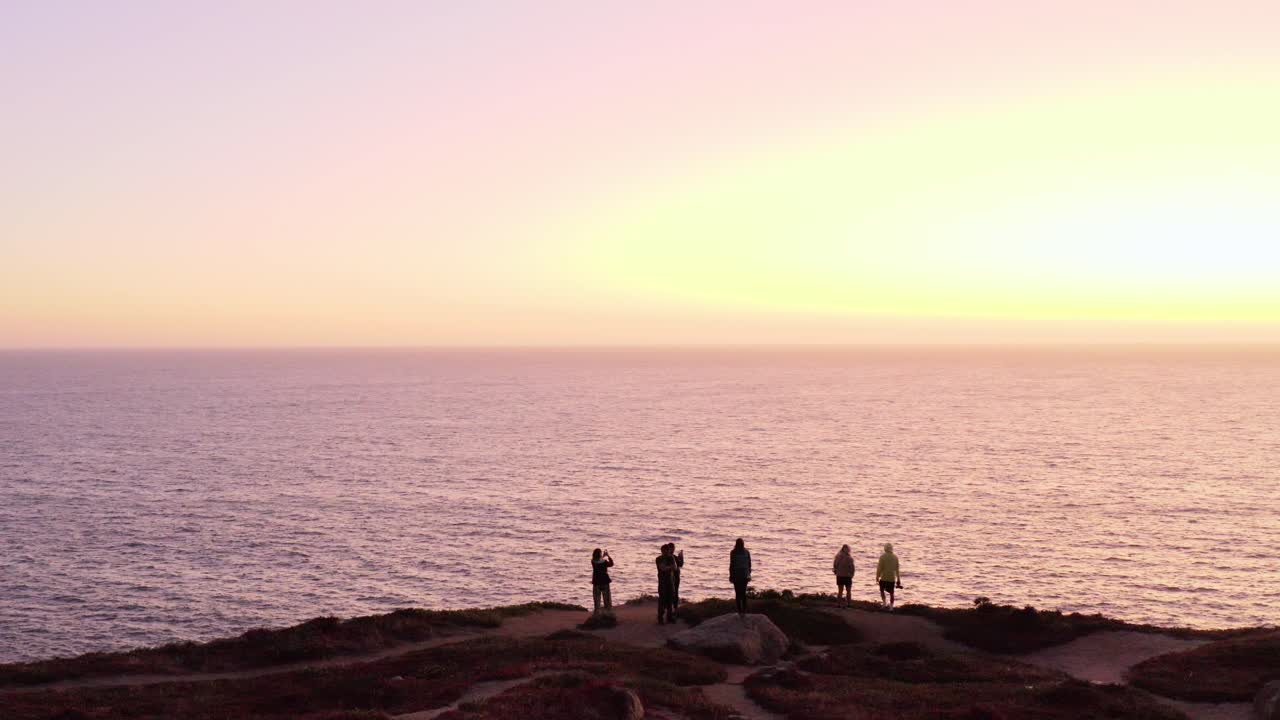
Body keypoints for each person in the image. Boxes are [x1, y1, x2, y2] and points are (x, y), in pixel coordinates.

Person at [655, 544, 678, 624]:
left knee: (670, 599)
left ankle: (669, 617)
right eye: (664, 551)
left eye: (667, 550)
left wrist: (668, 567)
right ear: (662, 551)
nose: (666, 552)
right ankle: (660, 618)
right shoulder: (658, 559)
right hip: (662, 583)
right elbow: (662, 568)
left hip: (670, 582)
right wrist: (669, 567)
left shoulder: (671, 558)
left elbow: (675, 567)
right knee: (662, 600)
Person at [729, 538, 752, 616]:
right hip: (744, 575)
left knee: (738, 593)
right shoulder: (747, 552)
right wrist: (749, 574)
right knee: (743, 593)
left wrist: (731, 575)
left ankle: (739, 611)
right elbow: (749, 564)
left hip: (736, 575)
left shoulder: (733, 552)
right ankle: (744, 611)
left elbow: (732, 565)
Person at [876, 543, 903, 610]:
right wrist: (898, 579)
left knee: (882, 590)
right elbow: (897, 570)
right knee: (891, 593)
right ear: (891, 549)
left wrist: (877, 576)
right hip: (892, 578)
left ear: (885, 548)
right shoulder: (895, 557)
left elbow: (879, 568)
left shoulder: (882, 557)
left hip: (884, 577)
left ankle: (884, 603)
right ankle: (891, 606)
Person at [591, 548, 614, 614]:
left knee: (597, 600)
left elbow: (597, 560)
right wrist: (608, 556)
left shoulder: (593, 561)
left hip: (596, 582)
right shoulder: (604, 562)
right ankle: (608, 613)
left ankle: (596, 614)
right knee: (607, 600)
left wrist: (603, 556)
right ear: (600, 554)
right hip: (605, 581)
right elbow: (611, 564)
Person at [669, 543, 685, 613]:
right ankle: (675, 608)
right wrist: (681, 556)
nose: (673, 549)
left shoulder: (666, 557)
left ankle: (671, 608)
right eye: (673, 548)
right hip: (674, 577)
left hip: (669, 578)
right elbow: (680, 564)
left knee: (670, 593)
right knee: (675, 592)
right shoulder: (673, 557)